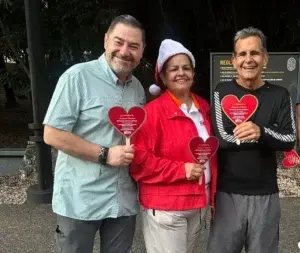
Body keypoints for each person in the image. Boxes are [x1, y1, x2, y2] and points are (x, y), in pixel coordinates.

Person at [43, 14, 146, 253]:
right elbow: (52, 134)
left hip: (122, 201)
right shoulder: (77, 77)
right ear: (106, 41)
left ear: (142, 50)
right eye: (118, 42)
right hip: (80, 199)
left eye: (133, 46)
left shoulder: (138, 88)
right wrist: (105, 154)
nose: (124, 51)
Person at [207, 27, 296, 253]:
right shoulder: (222, 91)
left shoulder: (280, 94)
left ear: (264, 58)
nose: (249, 60)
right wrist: (266, 137)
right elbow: (223, 139)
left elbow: (289, 139)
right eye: (242, 54)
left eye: (254, 53)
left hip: (266, 194)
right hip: (228, 194)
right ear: (234, 60)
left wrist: (262, 132)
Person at [130, 39, 218, 253]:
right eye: (174, 69)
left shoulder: (204, 107)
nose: (181, 73)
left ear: (193, 73)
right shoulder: (152, 113)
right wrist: (182, 169)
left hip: (198, 202)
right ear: (162, 76)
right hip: (166, 207)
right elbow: (139, 164)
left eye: (186, 68)